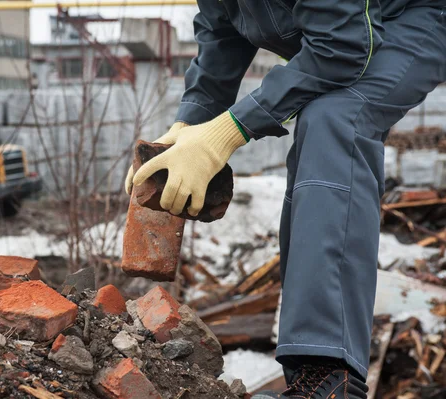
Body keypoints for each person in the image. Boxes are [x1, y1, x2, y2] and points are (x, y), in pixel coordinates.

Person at [125, 1, 446, 398]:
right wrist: (188, 125)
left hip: (412, 15)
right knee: (322, 120)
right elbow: (222, 31)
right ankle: (311, 371)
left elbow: (342, 47)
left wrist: (227, 131)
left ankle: (330, 377)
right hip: (343, 34)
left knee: (337, 119)